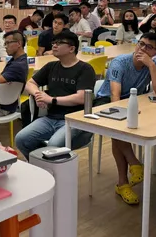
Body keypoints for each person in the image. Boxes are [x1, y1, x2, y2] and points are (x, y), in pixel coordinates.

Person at [95, 33, 156, 204]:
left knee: (117, 136)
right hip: (107, 101)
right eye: (141, 44)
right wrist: (123, 115)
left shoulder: (152, 63)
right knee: (119, 130)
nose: (142, 49)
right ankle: (134, 163)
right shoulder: (120, 62)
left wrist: (152, 66)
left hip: (134, 101)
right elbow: (115, 95)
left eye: (148, 47)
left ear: (155, 52)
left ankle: (123, 183)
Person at [15, 31, 96, 159]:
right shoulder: (51, 66)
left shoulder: (85, 69)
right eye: (54, 42)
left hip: (75, 120)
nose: (54, 45)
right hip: (51, 118)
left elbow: (82, 98)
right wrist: (38, 95)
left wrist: (51, 100)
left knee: (53, 145)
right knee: (21, 139)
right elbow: (29, 83)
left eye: (59, 43)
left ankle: (49, 165)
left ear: (72, 48)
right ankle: (42, 166)